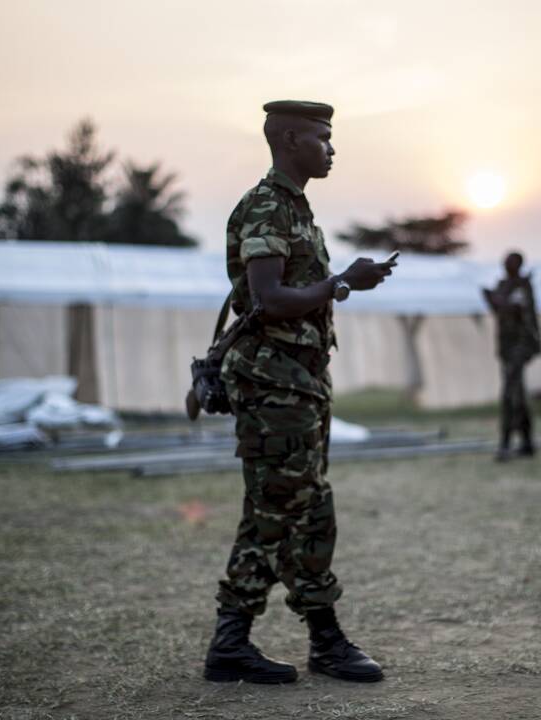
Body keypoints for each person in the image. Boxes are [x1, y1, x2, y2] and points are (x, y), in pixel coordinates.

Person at [203, 100, 395, 685]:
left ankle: (285, 640)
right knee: (289, 511)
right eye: (322, 138)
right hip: (273, 382)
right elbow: (268, 298)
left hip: (298, 382)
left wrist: (338, 284)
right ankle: (277, 640)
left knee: (294, 509)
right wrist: (342, 283)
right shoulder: (267, 205)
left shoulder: (294, 209)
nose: (331, 149)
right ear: (289, 140)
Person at [483, 252, 541, 460]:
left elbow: (518, 309)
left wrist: (498, 299)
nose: (507, 266)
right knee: (516, 392)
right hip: (507, 346)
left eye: (511, 263)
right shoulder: (505, 285)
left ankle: (505, 443)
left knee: (509, 392)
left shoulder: (522, 286)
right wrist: (492, 298)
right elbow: (497, 308)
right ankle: (526, 443)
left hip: (520, 345)